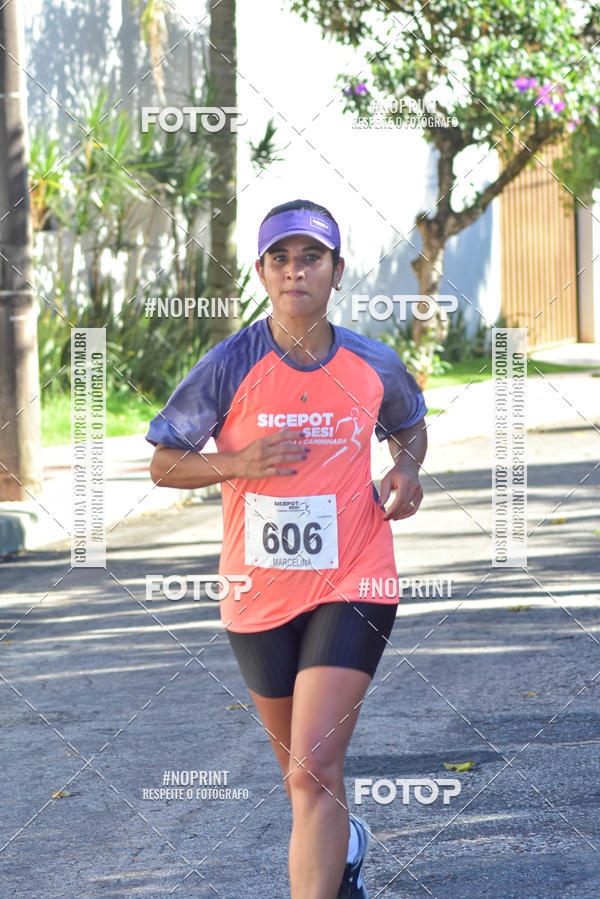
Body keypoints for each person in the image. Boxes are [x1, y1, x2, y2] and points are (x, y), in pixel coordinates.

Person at [146, 199, 428, 898]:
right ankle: (347, 851)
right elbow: (163, 462)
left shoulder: (371, 361)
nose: (295, 271)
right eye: (281, 258)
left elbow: (409, 427)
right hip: (257, 591)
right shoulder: (228, 363)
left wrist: (407, 466)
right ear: (261, 272)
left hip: (354, 579)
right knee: (302, 778)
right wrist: (239, 464)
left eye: (311, 258)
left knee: (312, 768)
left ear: (337, 271)